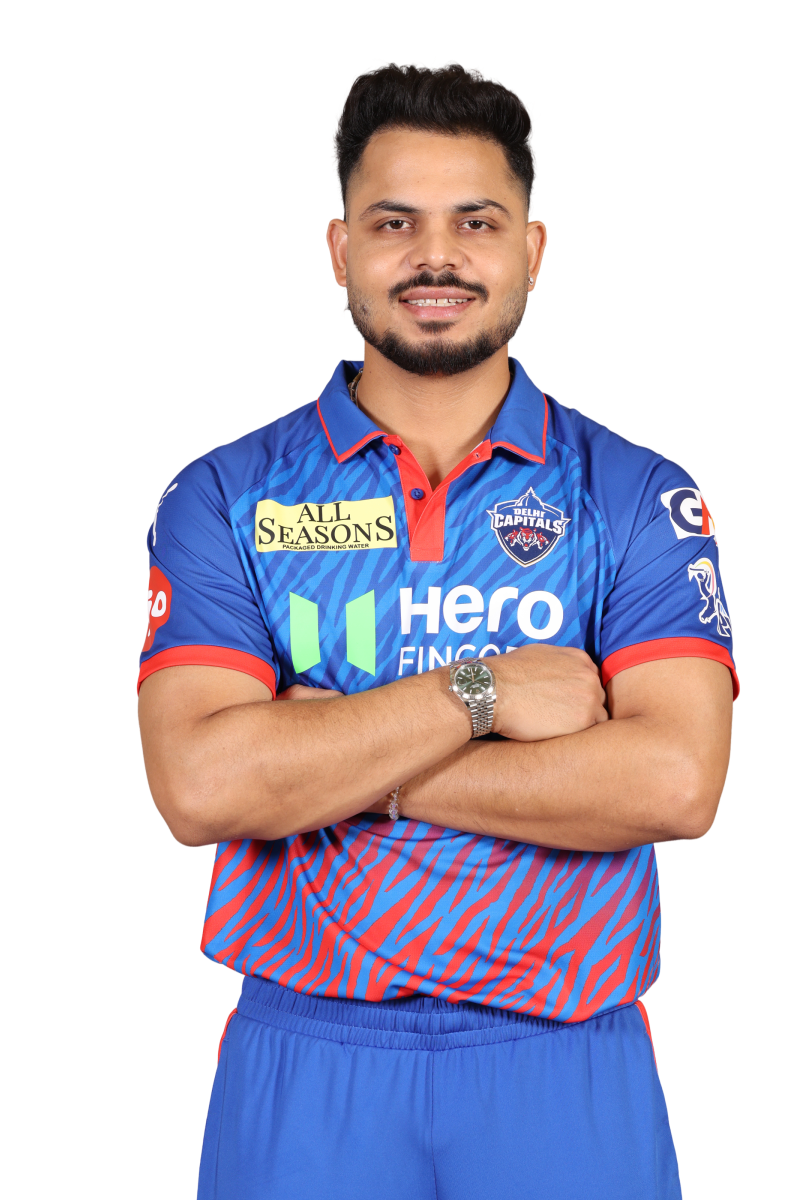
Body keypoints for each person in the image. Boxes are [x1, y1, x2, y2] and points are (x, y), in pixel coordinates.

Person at [137, 60, 737, 1200]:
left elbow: (674, 783)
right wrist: (483, 694)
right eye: (393, 222)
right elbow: (202, 789)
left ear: (533, 252)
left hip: (566, 1058)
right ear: (339, 252)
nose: (436, 257)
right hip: (307, 1053)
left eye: (476, 221)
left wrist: (341, 761)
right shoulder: (222, 494)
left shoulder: (638, 495)